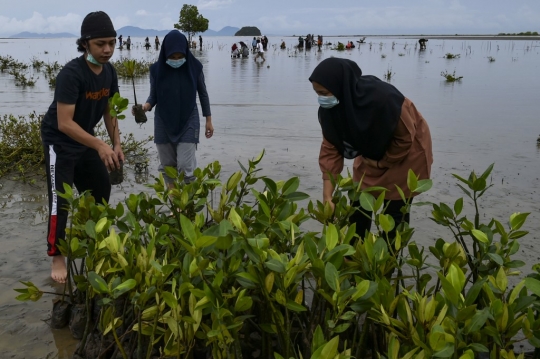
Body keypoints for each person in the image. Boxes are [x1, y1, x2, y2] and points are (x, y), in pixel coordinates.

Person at [309, 58, 432, 240]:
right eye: (317, 93)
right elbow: (330, 150)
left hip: (408, 154)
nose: (322, 99)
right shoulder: (331, 111)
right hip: (370, 152)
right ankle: (355, 258)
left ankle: (386, 264)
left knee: (394, 214)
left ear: (341, 86)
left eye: (324, 93)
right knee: (358, 206)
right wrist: (328, 196)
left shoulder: (385, 100)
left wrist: (380, 162)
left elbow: (405, 138)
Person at [41, 11, 124, 283]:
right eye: (101, 44)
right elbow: (65, 123)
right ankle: (57, 257)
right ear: (85, 43)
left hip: (84, 137)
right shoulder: (71, 74)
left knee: (101, 187)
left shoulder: (109, 71)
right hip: (60, 141)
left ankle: (95, 240)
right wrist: (100, 144)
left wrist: (116, 143)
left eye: (112, 42)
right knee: (60, 202)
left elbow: (110, 111)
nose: (108, 49)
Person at [139, 30, 213, 188]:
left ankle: (188, 206)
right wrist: (145, 107)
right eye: (172, 57)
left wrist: (208, 120)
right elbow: (153, 96)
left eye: (180, 57)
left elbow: (203, 95)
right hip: (163, 122)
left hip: (189, 120)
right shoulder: (156, 70)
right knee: (168, 168)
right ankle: (175, 208)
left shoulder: (195, 68)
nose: (176, 60)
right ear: (165, 53)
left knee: (186, 167)